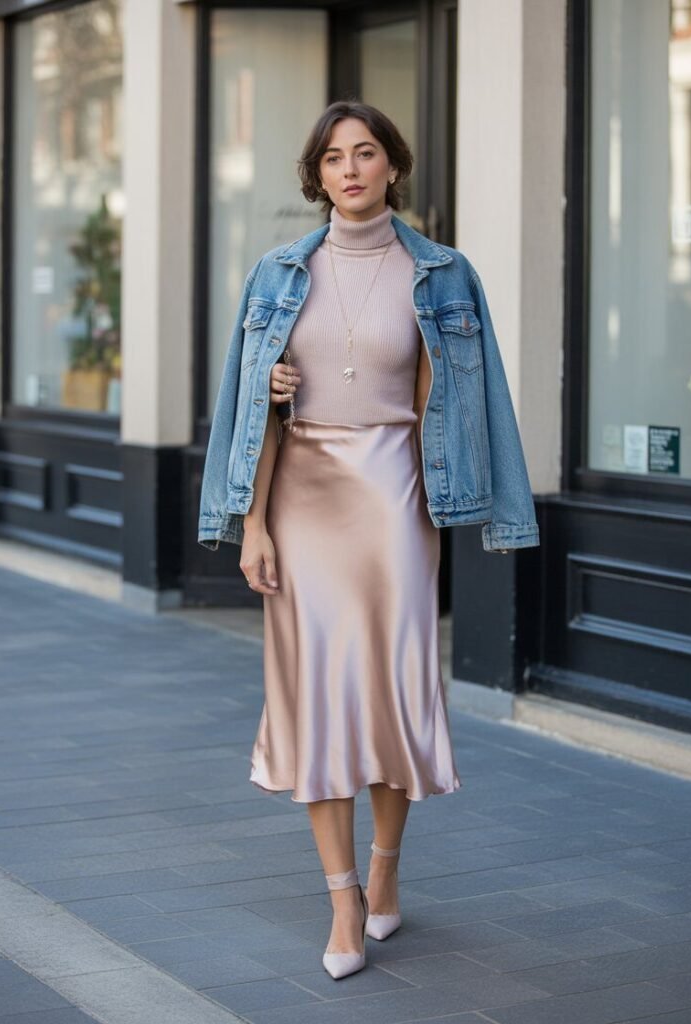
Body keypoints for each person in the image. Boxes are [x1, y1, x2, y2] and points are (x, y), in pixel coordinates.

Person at [198, 100, 540, 980]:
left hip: (395, 495)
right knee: (316, 701)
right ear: (314, 177)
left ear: (394, 165)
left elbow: (470, 404)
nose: (349, 170)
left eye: (366, 153)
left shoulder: (444, 274)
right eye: (332, 158)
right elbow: (251, 420)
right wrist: (254, 525)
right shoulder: (277, 274)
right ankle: (343, 898)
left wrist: (488, 508)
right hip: (301, 495)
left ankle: (386, 868)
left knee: (388, 695)